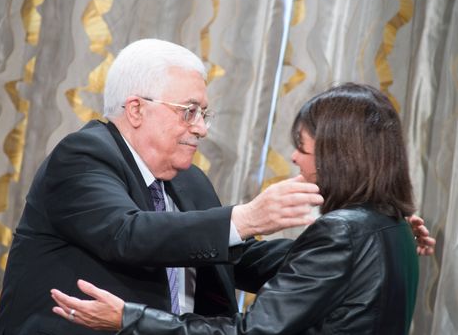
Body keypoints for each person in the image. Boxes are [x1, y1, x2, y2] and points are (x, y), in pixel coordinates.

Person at [0, 38, 326, 335]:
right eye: (189, 111)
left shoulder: (190, 178)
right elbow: (127, 233)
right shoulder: (83, 156)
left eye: (203, 114)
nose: (201, 129)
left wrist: (335, 249)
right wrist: (247, 218)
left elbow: (231, 254)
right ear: (136, 109)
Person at [51, 83, 431, 334]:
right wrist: (241, 223)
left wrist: (128, 319)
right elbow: (266, 262)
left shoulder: (345, 231)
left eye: (303, 146)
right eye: (188, 111)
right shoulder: (387, 225)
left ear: (341, 156)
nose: (295, 158)